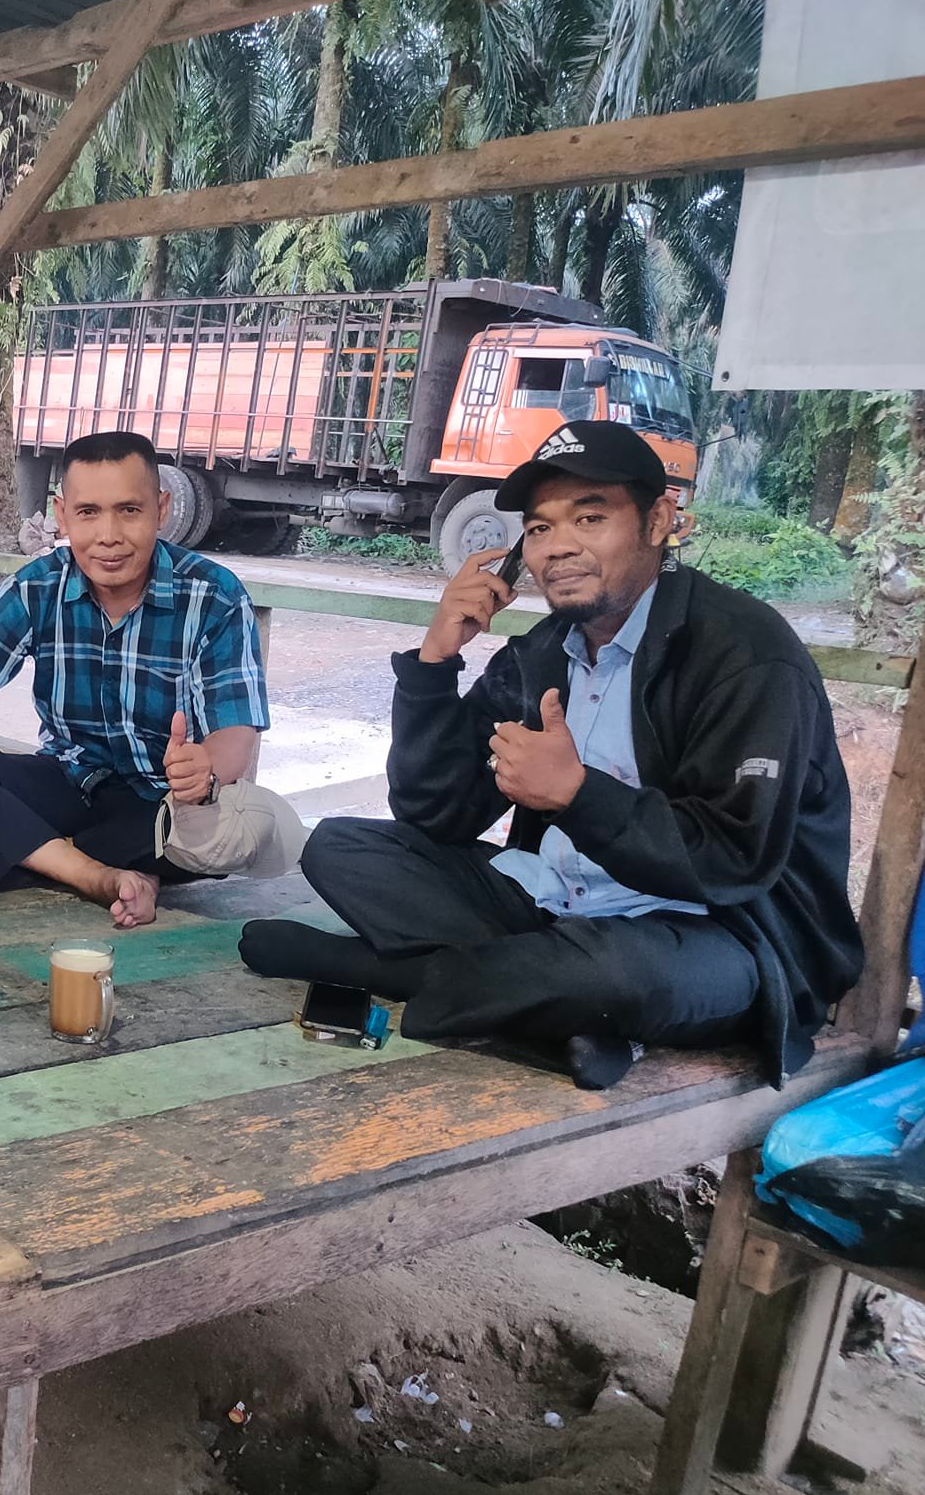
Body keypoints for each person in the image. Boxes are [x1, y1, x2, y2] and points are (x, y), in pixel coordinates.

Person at [239, 420, 864, 1090]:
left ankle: (376, 970)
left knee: (621, 974)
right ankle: (570, 1011)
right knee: (340, 847)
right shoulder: (543, 653)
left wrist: (577, 794)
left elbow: (735, 861)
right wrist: (434, 661)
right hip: (552, 905)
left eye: (590, 518)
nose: (558, 546)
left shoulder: (744, 657)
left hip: (717, 932)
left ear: (658, 522)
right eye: (540, 528)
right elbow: (434, 813)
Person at [0, 430, 270, 928]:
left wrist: (205, 768)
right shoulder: (36, 587)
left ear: (162, 510)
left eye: (129, 511)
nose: (109, 535)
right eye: (88, 513)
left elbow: (235, 734)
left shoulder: (214, 596)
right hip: (67, 783)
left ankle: (26, 850)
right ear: (62, 515)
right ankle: (96, 876)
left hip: (160, 803)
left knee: (238, 831)